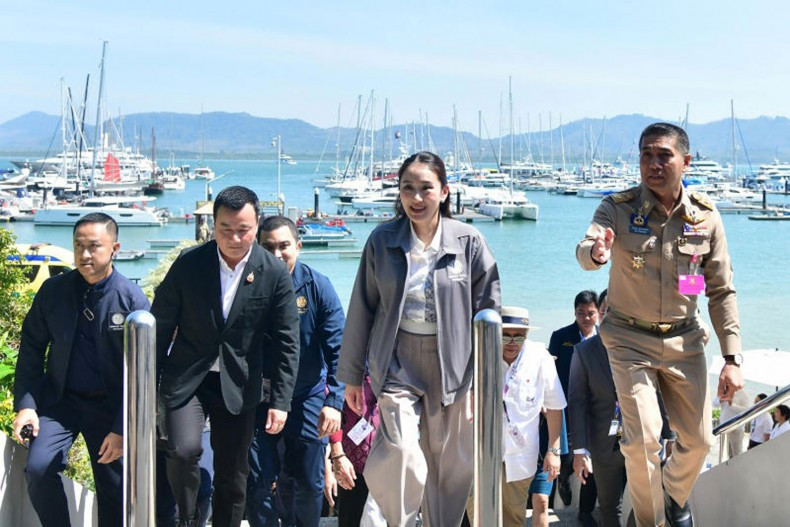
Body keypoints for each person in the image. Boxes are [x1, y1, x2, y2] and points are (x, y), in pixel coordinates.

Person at [577, 122, 745, 527]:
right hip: (628, 340)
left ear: (685, 161)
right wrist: (597, 253)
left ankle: (672, 496)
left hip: (685, 340)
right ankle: (650, 522)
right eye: (646, 155)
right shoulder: (617, 208)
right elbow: (587, 249)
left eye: (663, 155)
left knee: (700, 442)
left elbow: (720, 291)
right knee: (644, 439)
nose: (653, 163)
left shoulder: (705, 217)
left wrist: (732, 357)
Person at [337, 151, 501, 527]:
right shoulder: (382, 241)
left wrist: (483, 379)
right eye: (407, 188)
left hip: (454, 365)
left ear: (444, 191)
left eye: (425, 189)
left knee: (449, 469)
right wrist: (350, 375)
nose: (416, 198)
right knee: (403, 451)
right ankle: (400, 521)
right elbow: (361, 307)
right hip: (398, 362)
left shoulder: (469, 242)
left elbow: (488, 310)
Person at [152, 185, 300, 527]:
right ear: (213, 226)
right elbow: (159, 327)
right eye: (225, 229)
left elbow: (287, 341)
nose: (234, 238)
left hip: (239, 382)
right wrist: (149, 387)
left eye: (243, 230)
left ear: (257, 224)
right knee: (184, 450)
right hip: (189, 376)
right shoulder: (189, 264)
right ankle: (187, 518)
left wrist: (280, 400)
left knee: (234, 474)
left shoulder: (273, 273)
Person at [12, 212, 149, 526]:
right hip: (62, 402)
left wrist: (122, 428)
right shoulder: (53, 291)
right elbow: (32, 348)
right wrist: (27, 406)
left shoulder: (132, 299)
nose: (85, 255)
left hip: (112, 408)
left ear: (114, 248)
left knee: (114, 490)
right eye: (78, 246)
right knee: (38, 468)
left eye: (94, 247)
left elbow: (144, 373)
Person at [246, 215, 346, 527]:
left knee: (306, 482)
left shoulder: (318, 287)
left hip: (306, 399)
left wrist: (334, 403)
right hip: (257, 400)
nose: (276, 254)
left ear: (298, 247)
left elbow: (339, 350)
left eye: (284, 246)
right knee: (259, 480)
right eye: (268, 247)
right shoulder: (244, 286)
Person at [568, 289, 673, 527]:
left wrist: (670, 436)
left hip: (643, 440)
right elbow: (577, 402)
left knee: (648, 503)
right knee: (609, 507)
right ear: (600, 315)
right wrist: (579, 449)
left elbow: (660, 393)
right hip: (604, 446)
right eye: (605, 312)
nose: (609, 318)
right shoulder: (583, 352)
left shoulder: (645, 348)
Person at [466, 306, 565, 527]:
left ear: (527, 336)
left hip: (520, 455)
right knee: (479, 518)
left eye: (518, 337)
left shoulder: (540, 357)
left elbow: (555, 406)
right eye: (505, 335)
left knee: (513, 517)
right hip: (478, 455)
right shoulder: (478, 352)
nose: (512, 343)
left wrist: (554, 450)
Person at [547, 289, 599, 521]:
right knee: (567, 456)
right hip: (566, 404)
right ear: (574, 312)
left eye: (591, 313)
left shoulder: (605, 337)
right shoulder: (561, 336)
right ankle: (563, 480)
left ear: (598, 313)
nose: (586, 318)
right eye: (581, 313)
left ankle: (585, 511)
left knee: (593, 456)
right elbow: (549, 371)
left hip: (597, 407)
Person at [324, 373, 385, 527]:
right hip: (351, 465)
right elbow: (329, 404)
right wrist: (334, 458)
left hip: (389, 461)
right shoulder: (346, 360)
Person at [713, 388, 751, 457]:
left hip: (736, 430)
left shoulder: (743, 394)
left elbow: (746, 411)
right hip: (723, 429)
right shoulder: (723, 391)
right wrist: (720, 400)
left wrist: (732, 404)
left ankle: (738, 468)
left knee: (737, 455)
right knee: (724, 455)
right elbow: (714, 404)